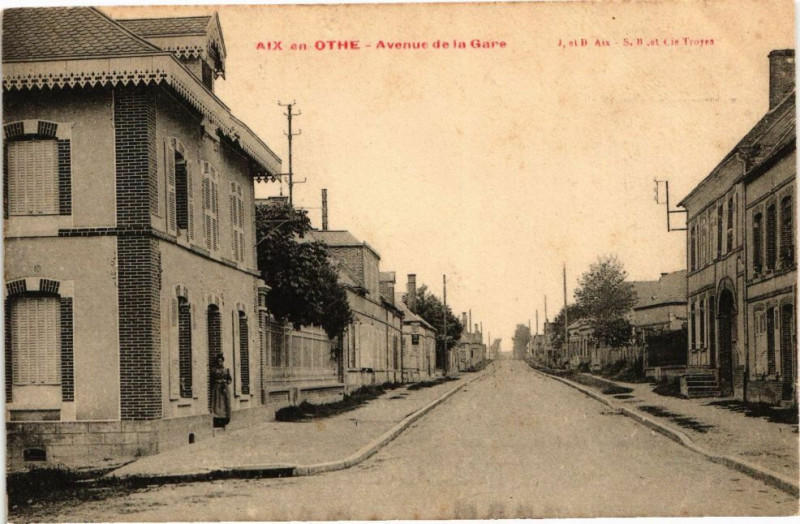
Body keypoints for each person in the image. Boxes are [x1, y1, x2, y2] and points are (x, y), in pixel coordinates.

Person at [211, 354, 232, 428]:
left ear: (223, 361)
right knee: (218, 403)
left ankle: (225, 419)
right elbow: (212, 379)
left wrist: (226, 381)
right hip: (217, 388)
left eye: (221, 361)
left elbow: (230, 379)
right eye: (218, 361)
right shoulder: (214, 370)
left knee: (225, 403)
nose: (220, 362)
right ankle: (217, 419)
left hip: (224, 388)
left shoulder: (226, 370)